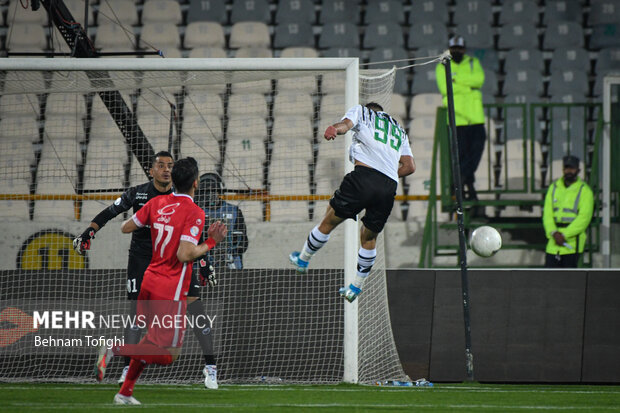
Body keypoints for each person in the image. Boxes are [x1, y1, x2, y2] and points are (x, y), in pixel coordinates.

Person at [73, 151, 221, 389]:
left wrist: (204, 263)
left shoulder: (173, 201)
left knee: (194, 310)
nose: (165, 169)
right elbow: (112, 212)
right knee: (145, 324)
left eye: (169, 166)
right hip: (148, 263)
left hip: (169, 265)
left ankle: (210, 368)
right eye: (161, 165)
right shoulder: (143, 195)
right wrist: (91, 230)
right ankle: (125, 367)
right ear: (151, 170)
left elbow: (192, 237)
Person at [289, 102, 415, 302]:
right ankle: (355, 288)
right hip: (388, 186)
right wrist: (386, 176)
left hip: (363, 177)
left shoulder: (362, 112)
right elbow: (409, 167)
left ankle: (303, 259)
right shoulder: (398, 130)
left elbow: (346, 124)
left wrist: (333, 129)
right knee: (368, 237)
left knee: (329, 218)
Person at [435, 35, 487, 209]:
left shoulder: (473, 62)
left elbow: (479, 81)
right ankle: (469, 187)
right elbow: (445, 88)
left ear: (464, 49)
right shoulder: (442, 66)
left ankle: (464, 182)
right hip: (457, 119)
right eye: (454, 49)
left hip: (476, 118)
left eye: (459, 48)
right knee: (461, 156)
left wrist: (457, 81)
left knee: (475, 155)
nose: (457, 51)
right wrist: (468, 86)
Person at [543, 155, 594, 268]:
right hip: (553, 242)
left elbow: (584, 218)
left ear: (578, 170)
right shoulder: (554, 187)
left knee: (569, 281)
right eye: (567, 168)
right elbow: (547, 214)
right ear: (563, 169)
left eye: (572, 168)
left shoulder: (585, 191)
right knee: (549, 279)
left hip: (572, 244)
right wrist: (553, 232)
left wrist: (564, 235)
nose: (569, 171)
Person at [194, 172, 248, 269]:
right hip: (202, 263)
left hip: (230, 264)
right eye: (206, 192)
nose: (210, 195)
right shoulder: (195, 212)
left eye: (213, 190)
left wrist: (228, 241)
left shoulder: (234, 211)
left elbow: (243, 244)